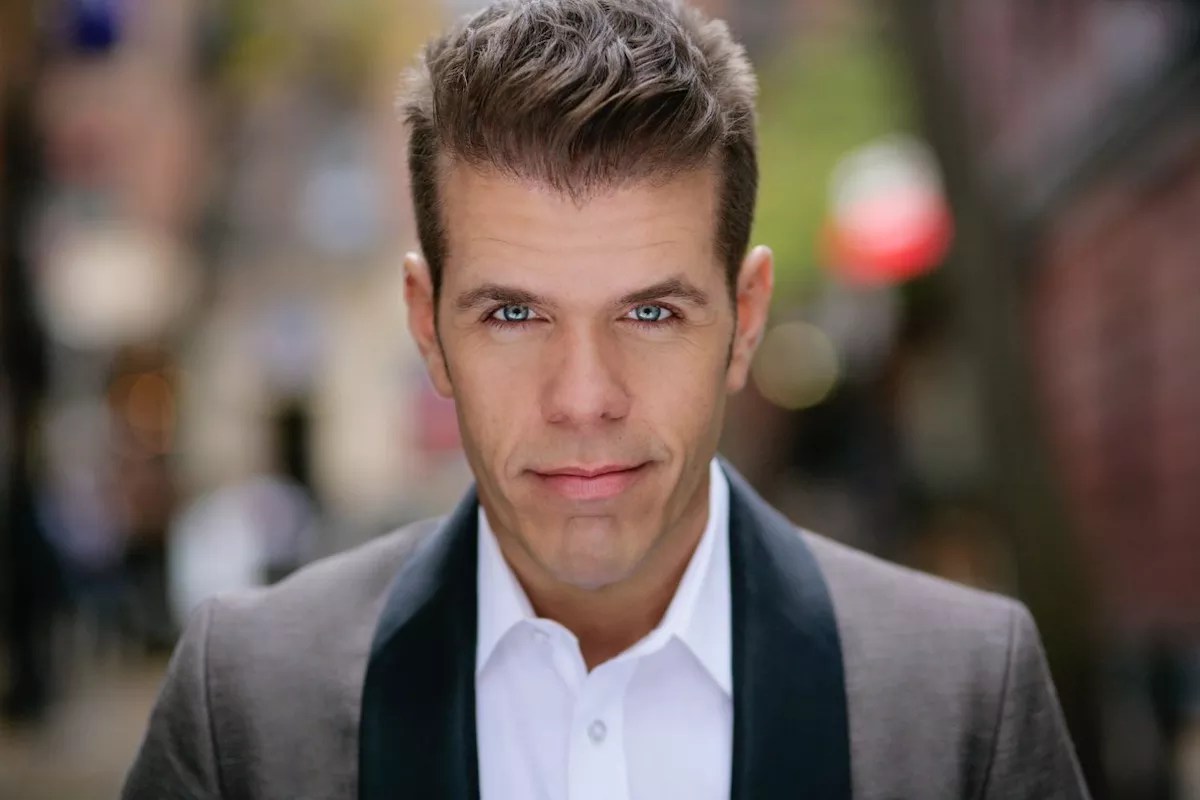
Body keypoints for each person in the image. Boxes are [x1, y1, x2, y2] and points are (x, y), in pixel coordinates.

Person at [123, 1, 1091, 798]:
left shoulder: (963, 697)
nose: (584, 398)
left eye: (651, 312)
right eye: (513, 313)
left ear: (746, 320)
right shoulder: (246, 703)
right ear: (427, 326)